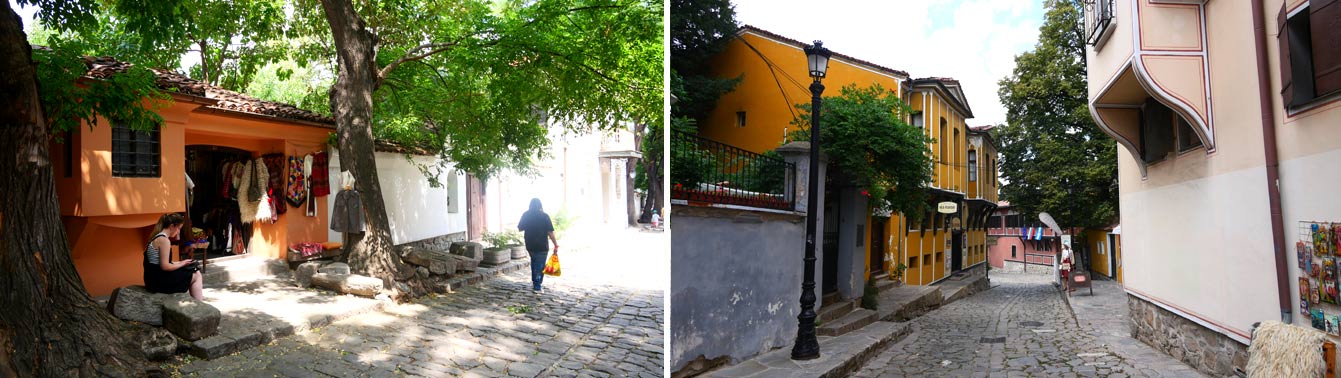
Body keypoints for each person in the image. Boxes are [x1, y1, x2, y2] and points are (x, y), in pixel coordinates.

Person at [145, 213, 204, 300]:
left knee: (191, 269)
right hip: (158, 282)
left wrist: (182, 263)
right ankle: (200, 305)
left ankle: (198, 303)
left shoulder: (157, 237)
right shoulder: (164, 240)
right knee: (196, 274)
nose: (179, 232)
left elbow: (161, 263)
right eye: (179, 228)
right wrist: (182, 264)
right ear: (172, 226)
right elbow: (165, 266)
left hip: (152, 279)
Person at [517, 198, 559, 292]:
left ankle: (535, 281)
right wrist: (555, 244)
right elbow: (550, 232)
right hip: (542, 244)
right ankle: (537, 285)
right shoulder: (545, 216)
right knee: (540, 265)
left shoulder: (526, 215)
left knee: (534, 261)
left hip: (530, 243)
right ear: (540, 205)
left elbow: (520, 228)